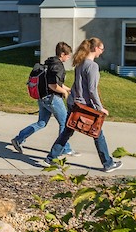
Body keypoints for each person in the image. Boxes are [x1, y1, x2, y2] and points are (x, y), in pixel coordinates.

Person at [45, 37, 122, 172]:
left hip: (74, 103)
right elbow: (92, 90)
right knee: (97, 133)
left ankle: (51, 158)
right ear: (95, 48)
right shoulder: (92, 66)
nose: (102, 52)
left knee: (67, 131)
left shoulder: (80, 63)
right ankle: (108, 164)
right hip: (84, 106)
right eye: (102, 49)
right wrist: (100, 108)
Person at [11, 42, 76, 157]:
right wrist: (64, 92)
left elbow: (56, 83)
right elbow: (53, 86)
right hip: (52, 98)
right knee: (65, 123)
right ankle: (64, 148)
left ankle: (19, 138)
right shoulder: (58, 66)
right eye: (68, 55)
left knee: (41, 123)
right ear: (62, 54)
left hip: (42, 98)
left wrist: (68, 89)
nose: (69, 57)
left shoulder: (50, 62)